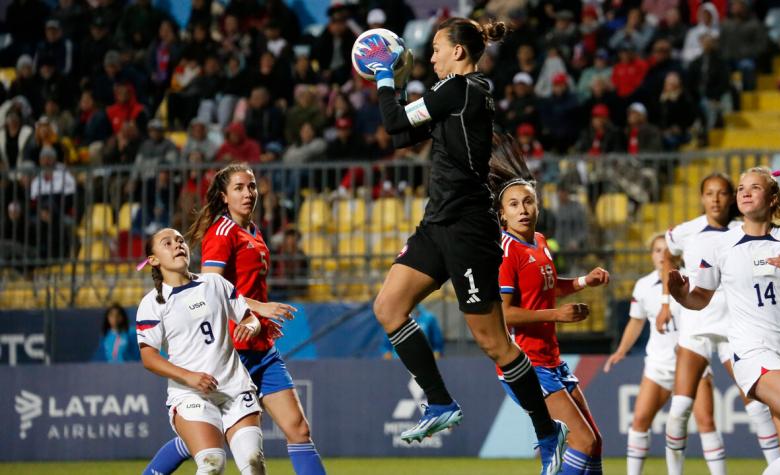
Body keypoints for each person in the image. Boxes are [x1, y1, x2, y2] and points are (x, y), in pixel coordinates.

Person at [357, 18, 567, 474]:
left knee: (494, 343)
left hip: (469, 228)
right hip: (438, 224)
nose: (430, 57)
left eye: (436, 49)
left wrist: (384, 72)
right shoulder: (456, 95)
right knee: (388, 306)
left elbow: (393, 118)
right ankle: (438, 402)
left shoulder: (461, 89)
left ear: (458, 52)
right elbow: (398, 134)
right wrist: (391, 85)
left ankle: (547, 432)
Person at [143, 163, 327, 475]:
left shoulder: (253, 231)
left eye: (252, 186)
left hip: (259, 345)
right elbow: (209, 289)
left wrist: (258, 320)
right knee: (202, 441)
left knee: (298, 428)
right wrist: (262, 309)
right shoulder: (222, 233)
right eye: (239, 188)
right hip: (229, 350)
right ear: (224, 196)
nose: (248, 193)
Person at [668, 167, 780, 475]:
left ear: (772, 199)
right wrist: (680, 296)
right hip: (752, 352)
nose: (745, 192)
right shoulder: (720, 245)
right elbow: (699, 298)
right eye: (742, 187)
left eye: (755, 188)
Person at [490, 131, 608, 474]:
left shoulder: (540, 241)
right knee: (582, 442)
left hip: (551, 361)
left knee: (594, 442)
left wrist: (585, 281)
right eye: (513, 204)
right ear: (502, 215)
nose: (523, 209)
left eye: (528, 201)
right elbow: (506, 314)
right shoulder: (506, 253)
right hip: (527, 366)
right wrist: (559, 315)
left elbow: (548, 287)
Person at [658, 173, 780, 475]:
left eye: (722, 193)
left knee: (756, 407)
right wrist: (665, 302)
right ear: (702, 197)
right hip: (695, 325)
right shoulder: (685, 232)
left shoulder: (744, 230)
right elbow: (666, 256)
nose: (715, 199)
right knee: (678, 412)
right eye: (709, 193)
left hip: (734, 327)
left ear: (731, 198)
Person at [136, 228, 267, 475]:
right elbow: (149, 358)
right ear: (153, 260)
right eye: (167, 243)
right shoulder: (152, 303)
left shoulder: (214, 282)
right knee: (212, 465)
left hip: (235, 387)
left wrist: (249, 327)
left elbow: (251, 319)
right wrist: (190, 377)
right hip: (191, 394)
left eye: (180, 240)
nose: (177, 245)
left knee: (253, 463)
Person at [604, 235, 723, 475]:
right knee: (639, 422)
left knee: (706, 423)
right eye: (657, 250)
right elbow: (636, 322)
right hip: (659, 366)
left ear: (676, 255)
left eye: (667, 250)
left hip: (692, 363)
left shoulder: (692, 282)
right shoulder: (643, 286)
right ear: (651, 255)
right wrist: (621, 351)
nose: (662, 255)